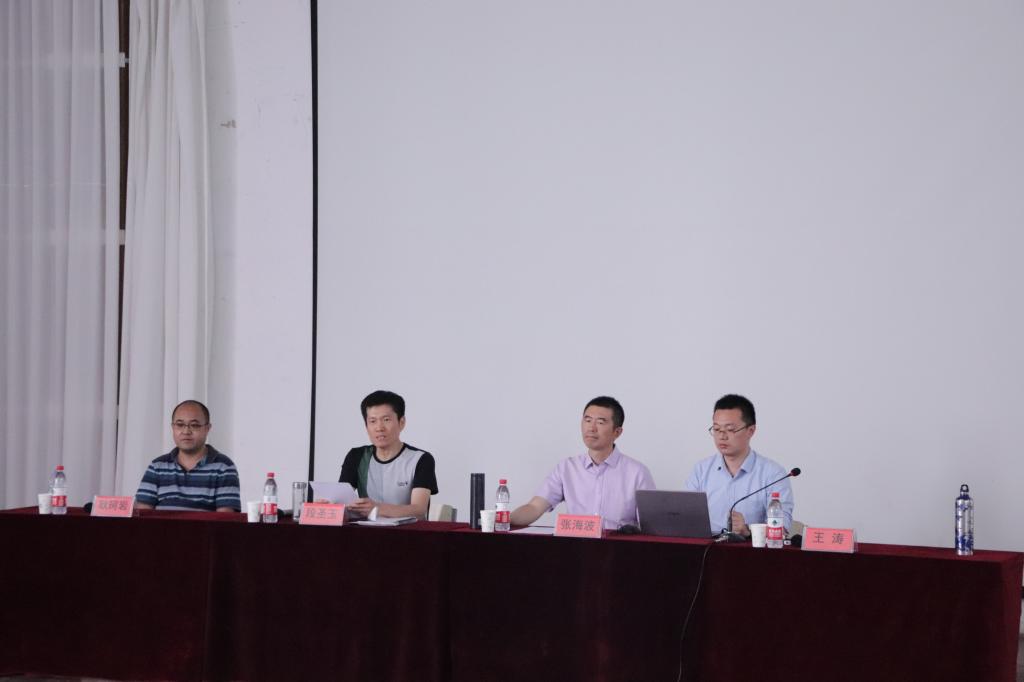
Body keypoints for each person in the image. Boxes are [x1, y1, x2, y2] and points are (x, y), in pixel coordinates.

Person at [510, 396, 655, 530]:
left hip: (619, 547)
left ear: (617, 432)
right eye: (587, 420)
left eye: (600, 422)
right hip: (576, 546)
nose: (591, 428)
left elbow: (651, 525)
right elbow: (535, 507)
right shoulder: (567, 468)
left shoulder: (638, 473)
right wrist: (504, 520)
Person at [686, 394, 793, 537]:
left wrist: (748, 530)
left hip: (750, 549)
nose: (722, 436)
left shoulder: (773, 474)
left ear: (751, 431)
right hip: (707, 547)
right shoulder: (701, 470)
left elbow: (781, 527)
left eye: (730, 429)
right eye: (717, 429)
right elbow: (685, 517)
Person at [338, 390, 438, 519]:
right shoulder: (357, 456)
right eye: (373, 421)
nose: (379, 428)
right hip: (365, 529)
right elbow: (341, 502)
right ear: (366, 426)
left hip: (408, 530)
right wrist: (329, 505)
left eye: (386, 420)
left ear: (401, 422)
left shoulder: (421, 459)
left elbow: (419, 510)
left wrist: (377, 509)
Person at [135, 400, 241, 512]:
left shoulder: (224, 467)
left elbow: (225, 519)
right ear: (173, 427)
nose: (186, 431)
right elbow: (142, 515)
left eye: (194, 425)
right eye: (180, 425)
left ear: (207, 429)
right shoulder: (157, 467)